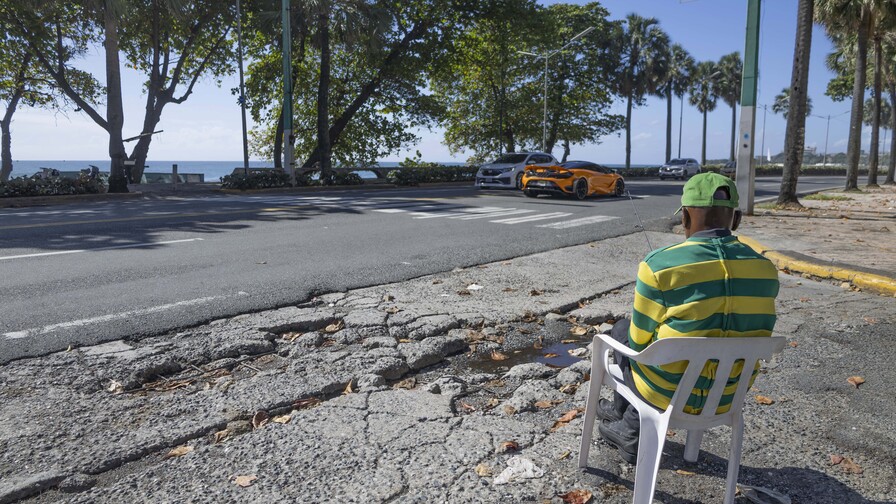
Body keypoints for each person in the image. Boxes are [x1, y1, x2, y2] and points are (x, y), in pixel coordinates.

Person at [598, 172, 780, 464]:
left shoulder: (658, 265)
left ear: (684, 217)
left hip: (665, 394)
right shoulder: (766, 268)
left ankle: (631, 429)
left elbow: (638, 342)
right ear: (736, 220)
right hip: (727, 395)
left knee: (622, 332)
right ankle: (623, 416)